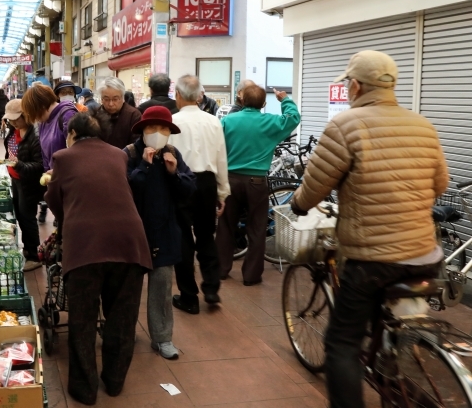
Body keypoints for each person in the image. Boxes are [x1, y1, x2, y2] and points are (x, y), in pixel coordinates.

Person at [289, 50, 449, 408]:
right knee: (388, 319)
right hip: (425, 255)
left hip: (373, 261)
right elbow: (439, 184)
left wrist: (298, 204)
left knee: (341, 344)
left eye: (349, 82)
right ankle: (392, 363)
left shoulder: (345, 125)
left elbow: (314, 188)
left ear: (357, 86)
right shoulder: (422, 125)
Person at [44, 111, 153, 406]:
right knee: (122, 318)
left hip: (86, 246)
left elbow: (54, 200)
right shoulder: (118, 154)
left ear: (72, 134)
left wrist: (69, 219)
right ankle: (115, 381)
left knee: (83, 319)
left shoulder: (63, 158)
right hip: (130, 244)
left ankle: (85, 389)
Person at [125, 106, 196, 360]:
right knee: (128, 289)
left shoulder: (173, 154)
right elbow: (125, 187)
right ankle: (124, 333)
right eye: (152, 128)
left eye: (164, 129)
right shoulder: (130, 153)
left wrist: (174, 173)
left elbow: (189, 188)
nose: (158, 133)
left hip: (164, 232)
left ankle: (162, 338)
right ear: (143, 130)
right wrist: (144, 167)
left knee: (162, 289)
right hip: (134, 233)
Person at [217, 84, 300, 285]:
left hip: (230, 179)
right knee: (257, 228)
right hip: (257, 182)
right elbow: (293, 118)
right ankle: (251, 276)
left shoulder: (227, 121)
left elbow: (217, 147)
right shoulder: (271, 122)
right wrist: (284, 100)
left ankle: (221, 269)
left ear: (242, 100)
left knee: (226, 226)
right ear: (263, 104)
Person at [170, 75, 230, 312]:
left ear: (178, 95)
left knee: (183, 237)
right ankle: (212, 288)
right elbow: (221, 158)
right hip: (207, 182)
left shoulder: (172, 121)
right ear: (199, 97)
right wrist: (223, 192)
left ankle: (189, 297)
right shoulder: (213, 121)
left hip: (180, 181)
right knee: (206, 235)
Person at [22, 83, 79, 224]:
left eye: (34, 112)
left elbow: (79, 152)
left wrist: (60, 171)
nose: (35, 118)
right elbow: (45, 154)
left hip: (72, 184)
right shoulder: (44, 122)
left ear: (41, 106)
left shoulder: (68, 115)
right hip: (57, 184)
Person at [2, 99, 44, 272]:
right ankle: (27, 249)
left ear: (26, 115)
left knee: (27, 217)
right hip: (16, 179)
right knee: (20, 215)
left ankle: (33, 256)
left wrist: (18, 165)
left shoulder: (35, 136)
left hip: (28, 183)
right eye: (10, 119)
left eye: (16, 119)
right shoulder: (14, 130)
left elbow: (39, 166)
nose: (12, 122)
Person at [99, 77, 142, 149]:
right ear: (101, 99)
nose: (111, 104)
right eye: (106, 99)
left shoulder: (133, 115)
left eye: (115, 99)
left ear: (123, 98)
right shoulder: (95, 114)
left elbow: (136, 144)